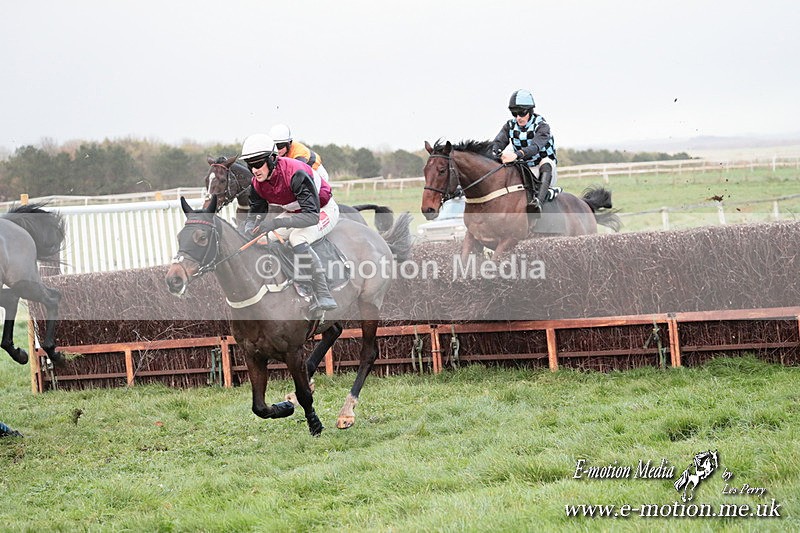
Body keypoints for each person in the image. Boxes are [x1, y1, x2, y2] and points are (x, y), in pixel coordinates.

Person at [239, 133, 339, 314]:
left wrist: (275, 223)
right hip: (296, 212)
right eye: (250, 165)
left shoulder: (296, 174)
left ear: (271, 159)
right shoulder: (257, 183)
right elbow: (256, 212)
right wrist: (249, 228)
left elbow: (311, 217)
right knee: (265, 240)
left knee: (297, 238)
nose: (254, 170)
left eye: (258, 164)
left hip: (322, 210)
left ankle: (323, 291)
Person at [491, 89, 558, 210]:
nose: (518, 117)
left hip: (542, 168)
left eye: (521, 113)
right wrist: (493, 153)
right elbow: (498, 143)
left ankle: (538, 202)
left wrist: (517, 155)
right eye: (514, 113)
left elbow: (535, 147)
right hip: (525, 169)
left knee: (546, 162)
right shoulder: (509, 126)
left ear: (530, 111)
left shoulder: (542, 126)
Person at [268, 124, 330, 192]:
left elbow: (298, 174)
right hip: (304, 174)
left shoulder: (299, 153)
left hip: (317, 174)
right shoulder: (276, 153)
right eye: (274, 146)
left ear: (289, 143)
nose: (277, 150)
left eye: (280, 146)